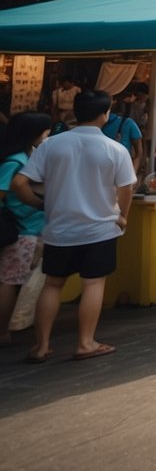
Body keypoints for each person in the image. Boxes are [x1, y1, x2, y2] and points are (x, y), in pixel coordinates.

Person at [11, 91, 136, 362]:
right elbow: (126, 188)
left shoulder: (51, 145)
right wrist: (123, 215)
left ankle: (42, 345)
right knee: (93, 284)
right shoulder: (115, 149)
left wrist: (41, 205)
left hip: (59, 228)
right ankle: (85, 342)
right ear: (105, 114)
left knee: (53, 285)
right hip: (99, 228)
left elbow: (19, 184)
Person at [0, 112, 52, 344]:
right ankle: (2, 331)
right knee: (10, 281)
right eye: (45, 130)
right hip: (21, 228)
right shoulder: (16, 161)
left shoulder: (21, 157)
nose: (47, 135)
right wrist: (38, 204)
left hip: (25, 227)